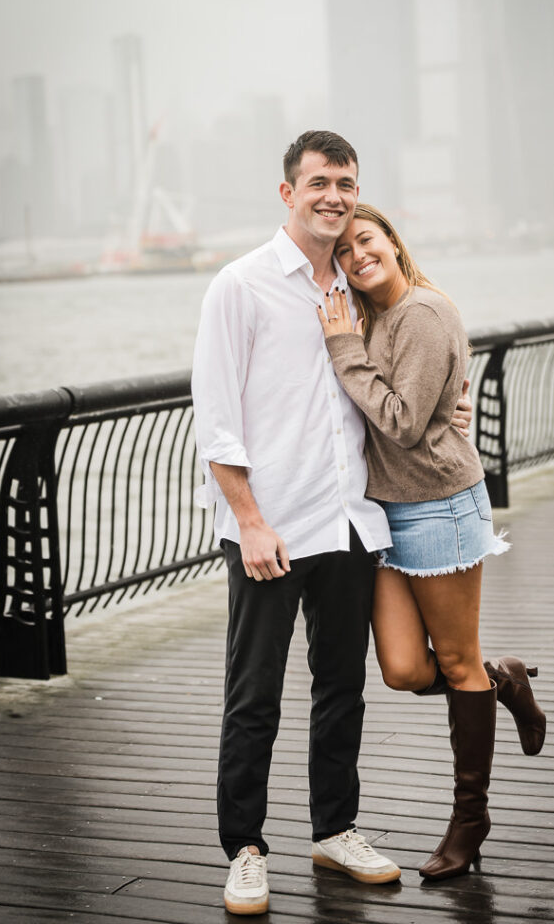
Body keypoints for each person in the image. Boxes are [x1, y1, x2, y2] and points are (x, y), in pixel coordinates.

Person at [191, 131, 473, 914]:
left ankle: (334, 828)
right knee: (254, 695)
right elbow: (215, 422)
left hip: (352, 524)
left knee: (341, 688)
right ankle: (244, 848)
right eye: (318, 182)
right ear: (288, 193)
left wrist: (455, 405)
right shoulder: (239, 287)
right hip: (270, 529)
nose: (333, 196)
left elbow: (416, 370)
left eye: (345, 183)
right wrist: (247, 520)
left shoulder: (356, 288)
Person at [317, 203, 547, 882]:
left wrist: (341, 351)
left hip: (438, 509)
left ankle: (468, 819)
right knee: (403, 669)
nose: (358, 256)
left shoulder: (418, 311)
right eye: (346, 253)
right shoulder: (374, 318)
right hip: (386, 512)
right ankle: (496, 678)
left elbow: (403, 424)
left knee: (449, 661)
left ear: (391, 240)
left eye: (367, 241)